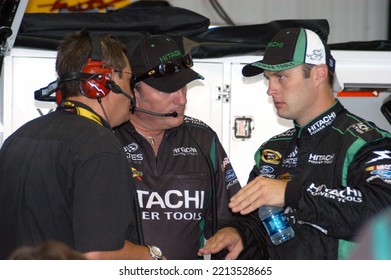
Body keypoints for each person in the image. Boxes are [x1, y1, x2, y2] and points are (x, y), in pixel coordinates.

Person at [197, 27, 391, 259]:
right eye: (268, 78)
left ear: (319, 74)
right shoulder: (274, 150)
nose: (270, 89)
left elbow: (382, 214)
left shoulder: (367, 142)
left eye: (282, 76)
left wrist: (291, 193)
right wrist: (239, 232)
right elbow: (258, 220)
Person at [0, 29, 156, 260]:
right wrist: (150, 257)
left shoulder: (17, 139)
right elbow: (98, 256)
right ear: (105, 81)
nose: (132, 94)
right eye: (129, 79)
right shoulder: (100, 147)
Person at [113, 34, 263, 260]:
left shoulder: (203, 139)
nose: (181, 99)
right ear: (133, 92)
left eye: (183, 87)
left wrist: (235, 231)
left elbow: (232, 215)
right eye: (168, 90)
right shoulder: (105, 138)